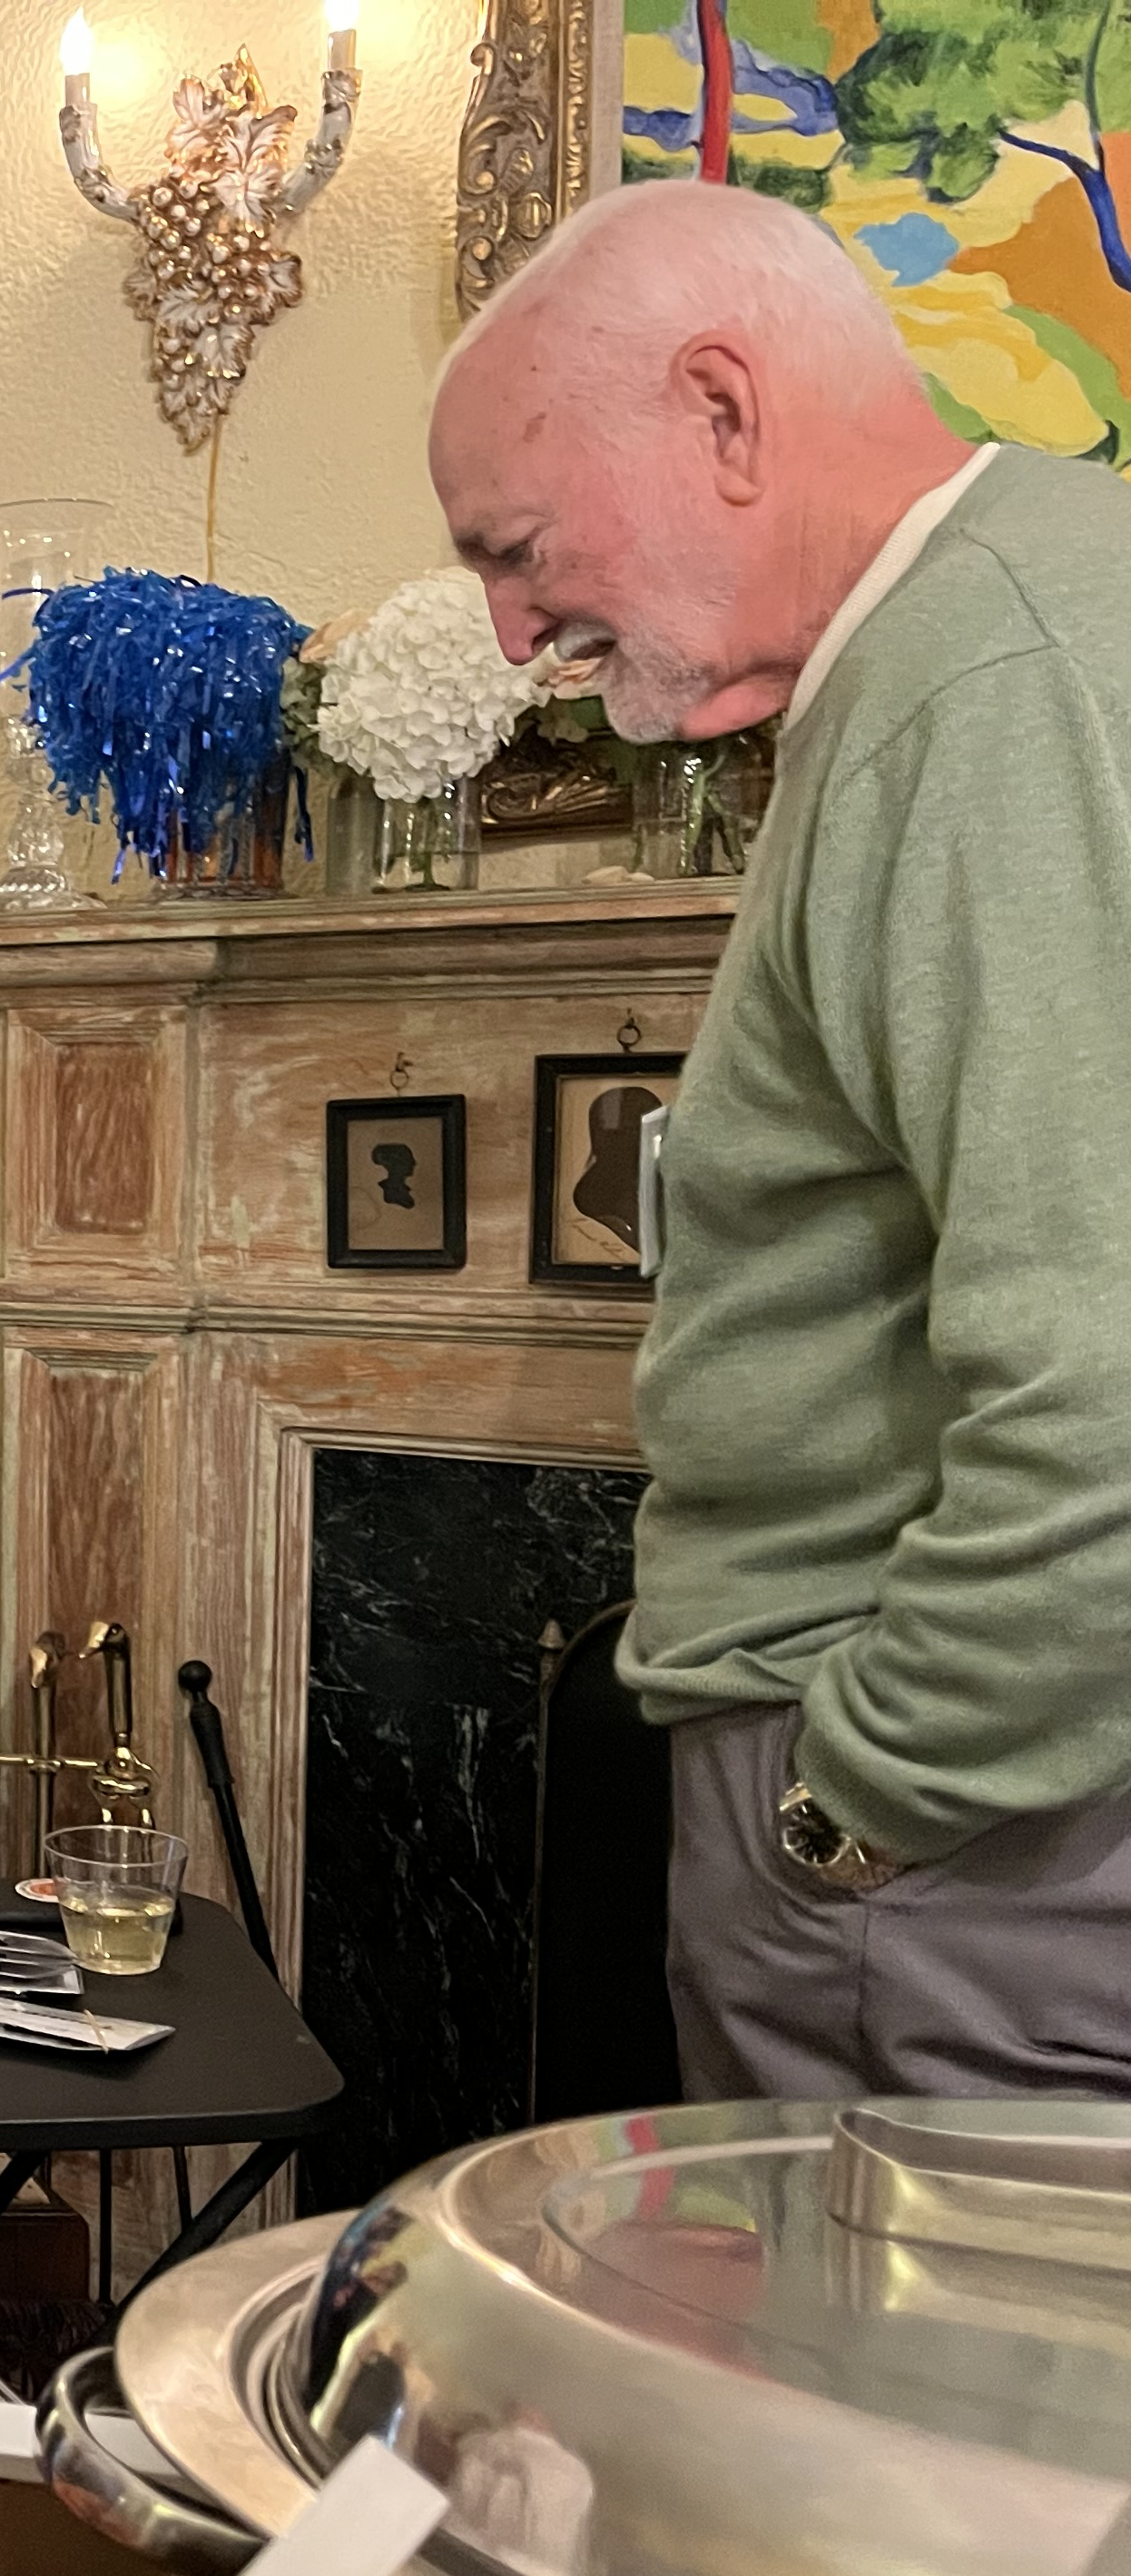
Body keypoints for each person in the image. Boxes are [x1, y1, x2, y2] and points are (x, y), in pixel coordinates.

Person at [435, 177, 1131, 2104]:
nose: (507, 631)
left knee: (878, 2396)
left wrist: (854, 1812)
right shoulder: (974, 649)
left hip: (961, 1869)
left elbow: (1111, 1387)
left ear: (723, 412)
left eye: (516, 544)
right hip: (967, 1849)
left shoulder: (991, 687)